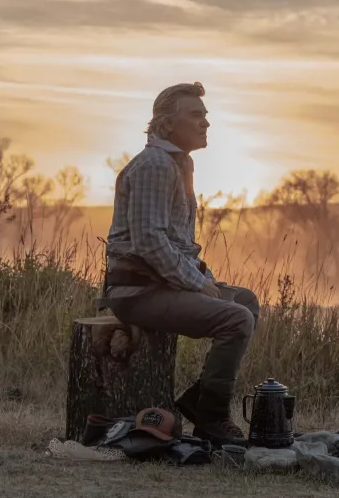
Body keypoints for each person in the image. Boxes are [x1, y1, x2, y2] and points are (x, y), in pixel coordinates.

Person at [100, 81, 259, 447]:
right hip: (138, 291)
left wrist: (206, 278)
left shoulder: (179, 164)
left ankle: (198, 401)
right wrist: (197, 283)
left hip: (163, 285)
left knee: (244, 301)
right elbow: (150, 242)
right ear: (167, 124)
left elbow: (180, 244)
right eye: (196, 115)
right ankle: (213, 418)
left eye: (205, 116)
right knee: (237, 319)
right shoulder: (155, 165)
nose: (205, 123)